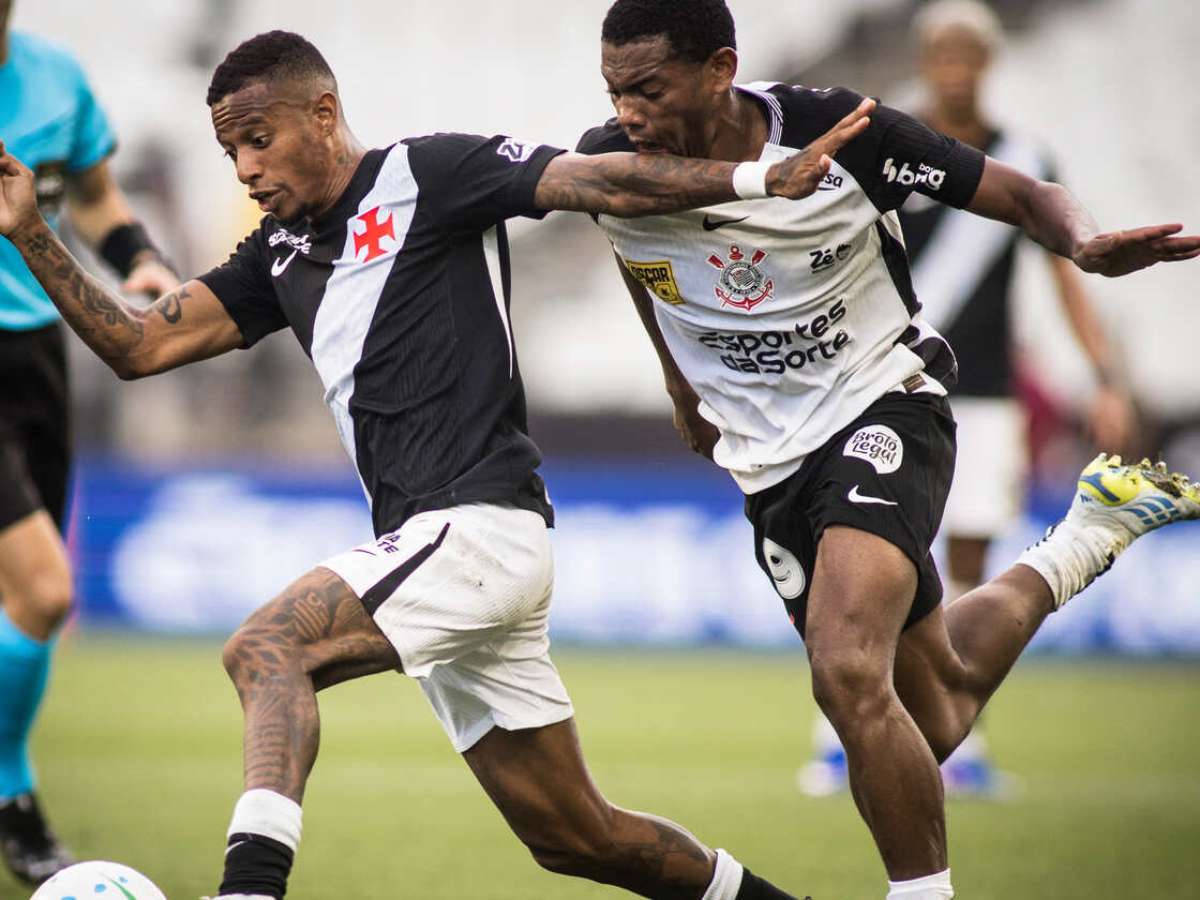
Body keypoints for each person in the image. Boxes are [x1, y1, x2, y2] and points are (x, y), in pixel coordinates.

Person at [0, 28, 882, 900]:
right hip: (445, 548)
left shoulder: (431, 173)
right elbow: (138, 347)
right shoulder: (276, 255)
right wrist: (32, 231)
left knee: (267, 648)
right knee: (578, 836)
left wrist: (757, 178)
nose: (245, 169)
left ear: (323, 114)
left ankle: (248, 892)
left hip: (478, 528)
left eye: (259, 140)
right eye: (232, 152)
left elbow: (599, 180)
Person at [577, 2, 1200, 898]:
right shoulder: (611, 163)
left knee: (844, 666)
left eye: (647, 89)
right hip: (768, 457)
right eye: (614, 92)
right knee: (933, 711)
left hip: (884, 402)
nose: (627, 112)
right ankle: (1084, 540)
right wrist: (680, 384)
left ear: (720, 70)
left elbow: (1024, 194)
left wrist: (1083, 241)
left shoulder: (846, 132)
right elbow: (641, 258)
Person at [798, 0, 1137, 800]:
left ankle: (963, 742)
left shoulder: (1020, 159)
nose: (955, 71)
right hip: (880, 385)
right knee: (863, 562)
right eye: (943, 56)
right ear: (926, 61)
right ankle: (839, 737)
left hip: (982, 391)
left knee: (970, 558)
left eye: (967, 56)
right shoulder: (887, 149)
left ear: (987, 63)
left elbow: (1064, 275)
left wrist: (1106, 376)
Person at [0, 0, 178, 884]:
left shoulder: (54, 79)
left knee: (21, 603)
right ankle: (13, 796)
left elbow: (96, 198)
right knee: (46, 588)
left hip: (37, 357)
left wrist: (139, 258)